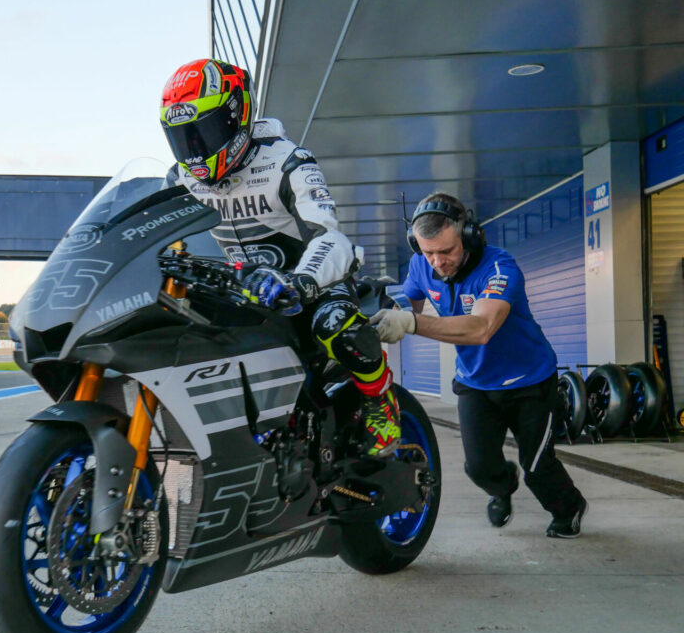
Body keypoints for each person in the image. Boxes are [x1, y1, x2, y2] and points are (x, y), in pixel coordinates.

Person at [159, 58, 400, 456]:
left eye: (203, 132)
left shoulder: (288, 161)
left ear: (237, 115)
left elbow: (329, 235)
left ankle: (381, 402)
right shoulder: (178, 179)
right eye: (184, 138)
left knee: (334, 323)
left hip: (314, 283)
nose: (195, 150)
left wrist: (300, 281)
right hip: (247, 289)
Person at [370, 192, 588, 537]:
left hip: (530, 382)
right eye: (428, 252)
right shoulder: (420, 265)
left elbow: (481, 328)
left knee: (537, 467)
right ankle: (502, 488)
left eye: (447, 251)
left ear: (469, 236)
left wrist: (412, 323)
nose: (438, 262)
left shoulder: (500, 269)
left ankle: (569, 508)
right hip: (475, 382)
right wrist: (387, 305)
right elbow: (407, 297)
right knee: (479, 468)